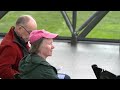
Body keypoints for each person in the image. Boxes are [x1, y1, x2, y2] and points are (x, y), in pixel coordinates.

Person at [0, 15, 37, 79]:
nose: (31, 36)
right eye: (30, 32)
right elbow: (3, 70)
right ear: (20, 29)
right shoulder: (10, 46)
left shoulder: (21, 39)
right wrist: (24, 77)